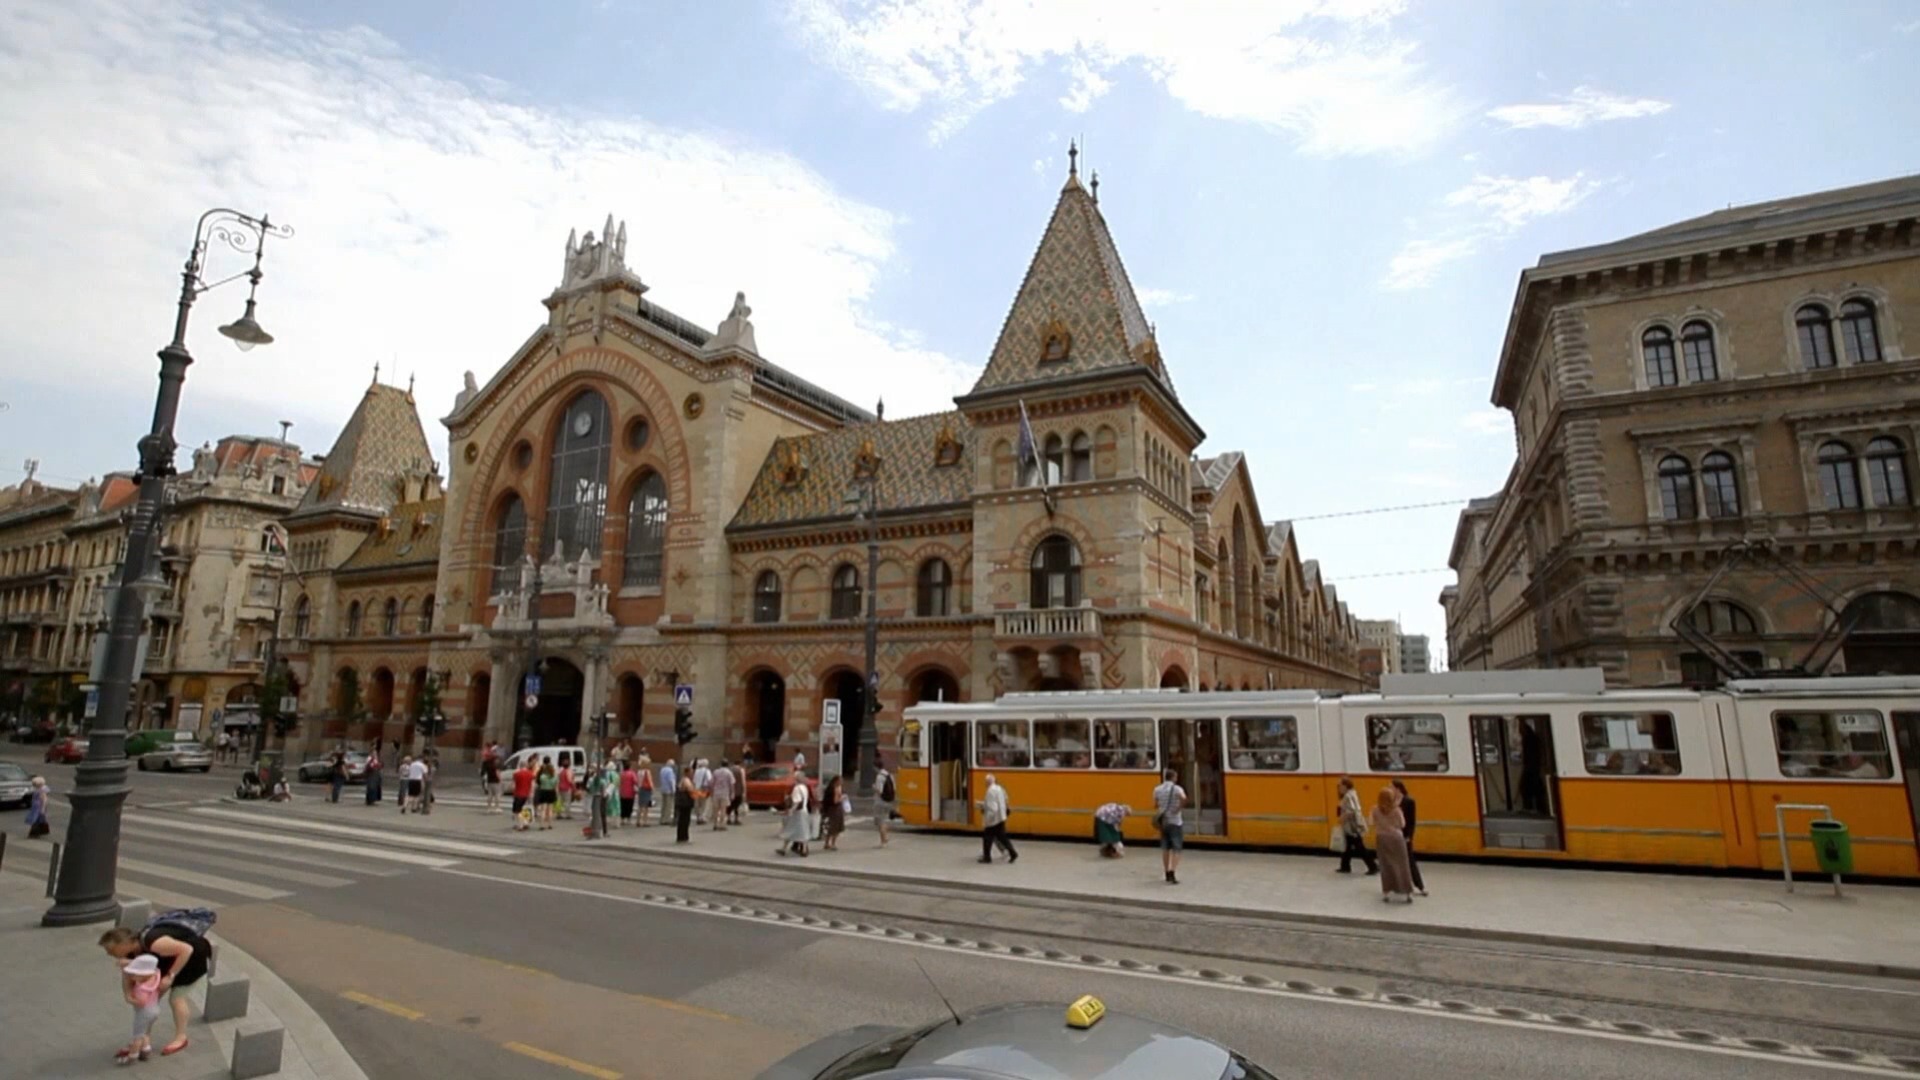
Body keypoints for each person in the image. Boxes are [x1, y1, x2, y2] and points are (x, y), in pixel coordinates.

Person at [99, 919, 212, 1058]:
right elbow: (128, 974)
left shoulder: (153, 941)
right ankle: (142, 1039)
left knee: (176, 998)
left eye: (110, 949)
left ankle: (181, 1038)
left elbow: (186, 950)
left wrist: (170, 976)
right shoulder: (129, 953)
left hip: (192, 960)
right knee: (149, 1002)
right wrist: (128, 994)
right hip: (166, 963)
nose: (109, 953)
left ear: (124, 943)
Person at [117, 952, 163, 1064]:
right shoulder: (155, 976)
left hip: (144, 1012)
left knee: (137, 1035)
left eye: (135, 974)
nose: (132, 977)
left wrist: (131, 999)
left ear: (143, 975)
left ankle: (132, 1055)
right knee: (145, 1032)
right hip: (155, 1009)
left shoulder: (142, 988)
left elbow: (142, 1002)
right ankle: (146, 1049)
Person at [1371, 786, 1414, 903]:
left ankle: (1386, 892)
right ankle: (1407, 893)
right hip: (1396, 839)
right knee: (1402, 865)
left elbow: (1372, 822)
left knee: (1386, 866)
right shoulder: (1396, 810)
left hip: (1381, 838)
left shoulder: (1375, 809)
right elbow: (1402, 824)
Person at [1390, 779, 1428, 897]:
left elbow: (1412, 821)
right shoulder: (1391, 802)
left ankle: (1420, 885)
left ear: (1398, 788)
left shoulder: (1409, 801)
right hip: (1393, 835)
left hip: (1404, 835)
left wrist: (1409, 836)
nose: (1390, 790)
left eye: (1391, 787)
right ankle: (1399, 885)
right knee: (1395, 861)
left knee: (1409, 861)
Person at [1335, 776, 1378, 875]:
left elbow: (1351, 811)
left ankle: (1372, 866)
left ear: (1345, 786)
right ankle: (1345, 866)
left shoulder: (1348, 796)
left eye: (1340, 785)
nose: (1339, 787)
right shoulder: (1351, 794)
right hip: (1351, 826)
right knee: (1348, 846)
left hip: (1352, 826)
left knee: (1359, 847)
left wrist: (1342, 818)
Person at [1151, 768, 1187, 885]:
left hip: (1163, 822)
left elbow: (1155, 805)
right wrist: (1178, 808)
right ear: (1174, 777)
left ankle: (1166, 871)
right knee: (1177, 848)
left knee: (1165, 847)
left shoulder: (1157, 789)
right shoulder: (1177, 788)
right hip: (1175, 821)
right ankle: (1173, 871)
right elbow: (1184, 798)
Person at [978, 773, 1016, 864]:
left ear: (988, 782)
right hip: (1001, 817)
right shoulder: (999, 788)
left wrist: (988, 818)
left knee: (987, 837)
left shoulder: (990, 791)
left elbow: (993, 808)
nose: (985, 784)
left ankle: (987, 857)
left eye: (985, 782)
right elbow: (1004, 800)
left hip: (994, 820)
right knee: (1002, 837)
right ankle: (1013, 853)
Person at [778, 771, 811, 856]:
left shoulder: (796, 788)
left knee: (789, 829)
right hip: (804, 811)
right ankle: (804, 849)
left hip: (797, 813)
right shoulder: (804, 787)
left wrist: (791, 810)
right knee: (803, 831)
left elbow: (797, 801)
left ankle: (784, 849)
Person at [708, 758, 735, 831]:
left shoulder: (716, 772)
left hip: (716, 792)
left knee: (716, 809)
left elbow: (711, 783)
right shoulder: (729, 772)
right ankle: (722, 824)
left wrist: (711, 791)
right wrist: (732, 793)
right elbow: (732, 783)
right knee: (723, 809)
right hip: (725, 793)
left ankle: (715, 824)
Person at [820, 774, 846, 850]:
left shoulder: (833, 788)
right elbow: (835, 801)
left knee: (831, 827)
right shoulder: (836, 789)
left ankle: (827, 843)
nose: (842, 782)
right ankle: (833, 843)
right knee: (836, 827)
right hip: (836, 809)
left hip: (831, 809)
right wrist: (842, 798)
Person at [874, 763, 896, 845]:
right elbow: (894, 789)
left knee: (880, 821)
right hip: (889, 801)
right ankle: (885, 837)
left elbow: (879, 791)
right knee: (885, 819)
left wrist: (874, 787)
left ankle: (884, 839)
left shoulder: (879, 777)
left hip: (880, 801)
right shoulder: (890, 775)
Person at [511, 757, 536, 831]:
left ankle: (520, 825)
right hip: (527, 794)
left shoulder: (516, 774)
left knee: (517, 810)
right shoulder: (531, 774)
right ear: (526, 766)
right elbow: (533, 784)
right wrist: (531, 793)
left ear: (520, 766)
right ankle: (526, 823)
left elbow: (513, 786)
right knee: (525, 809)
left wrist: (513, 792)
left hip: (518, 794)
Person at [673, 765, 696, 843]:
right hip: (685, 803)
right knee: (684, 819)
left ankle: (682, 836)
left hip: (683, 803)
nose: (692, 774)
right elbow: (690, 789)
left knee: (683, 819)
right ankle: (683, 836)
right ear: (687, 773)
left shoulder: (683, 779)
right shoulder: (686, 780)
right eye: (691, 772)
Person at [534, 757, 558, 830]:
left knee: (543, 809)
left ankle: (541, 825)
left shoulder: (542, 776)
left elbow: (539, 782)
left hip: (543, 791)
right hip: (551, 791)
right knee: (550, 809)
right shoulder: (554, 777)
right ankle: (550, 824)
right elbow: (555, 785)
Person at [635, 755, 655, 826]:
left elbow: (638, 781)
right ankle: (645, 821)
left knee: (640, 805)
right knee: (646, 806)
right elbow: (650, 781)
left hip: (641, 789)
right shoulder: (647, 771)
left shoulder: (639, 771)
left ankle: (638, 820)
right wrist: (652, 788)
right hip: (647, 789)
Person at [691, 758, 713, 823]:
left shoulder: (697, 771)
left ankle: (698, 816)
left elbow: (694, 780)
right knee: (704, 804)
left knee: (697, 803)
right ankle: (702, 817)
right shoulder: (707, 771)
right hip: (704, 789)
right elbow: (709, 780)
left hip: (696, 789)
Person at [481, 748, 502, 814]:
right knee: (497, 795)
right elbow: (497, 772)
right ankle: (497, 807)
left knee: (490, 795)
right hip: (496, 781)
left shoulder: (487, 764)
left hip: (489, 780)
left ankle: (488, 808)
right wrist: (500, 780)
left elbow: (484, 772)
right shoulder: (495, 765)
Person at [618, 761, 638, 827]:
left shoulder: (622, 774)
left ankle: (622, 819)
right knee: (629, 806)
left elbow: (619, 782)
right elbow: (635, 781)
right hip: (630, 792)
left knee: (623, 805)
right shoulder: (632, 774)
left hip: (622, 792)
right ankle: (628, 818)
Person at [728, 758, 747, 825]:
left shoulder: (729, 770)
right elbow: (743, 781)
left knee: (730, 804)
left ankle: (728, 818)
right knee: (737, 805)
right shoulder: (741, 770)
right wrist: (744, 791)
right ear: (740, 764)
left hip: (730, 790)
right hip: (738, 790)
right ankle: (736, 819)